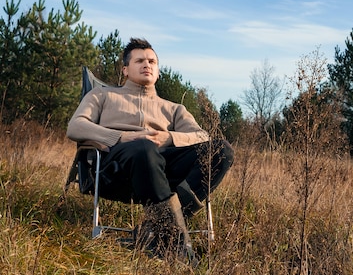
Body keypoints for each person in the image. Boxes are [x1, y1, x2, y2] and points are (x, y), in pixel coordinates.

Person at [67, 37, 234, 263]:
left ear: (158, 72)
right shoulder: (102, 96)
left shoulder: (175, 109)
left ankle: (154, 230)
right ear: (125, 69)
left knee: (221, 150)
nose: (147, 65)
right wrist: (121, 136)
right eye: (139, 61)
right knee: (143, 147)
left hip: (163, 166)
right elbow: (75, 126)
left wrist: (169, 138)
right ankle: (180, 253)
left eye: (152, 61)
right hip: (117, 166)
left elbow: (202, 136)